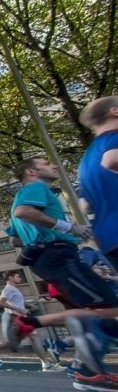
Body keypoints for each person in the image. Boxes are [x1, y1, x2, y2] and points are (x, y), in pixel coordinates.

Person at [5, 157, 118, 389]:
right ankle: (29, 323)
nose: (54, 165)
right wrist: (69, 228)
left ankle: (87, 369)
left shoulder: (24, 194)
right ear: (31, 171)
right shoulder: (36, 188)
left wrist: (38, 235)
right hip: (58, 255)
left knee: (92, 312)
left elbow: (13, 238)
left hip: (47, 258)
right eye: (46, 163)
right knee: (107, 308)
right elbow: (23, 212)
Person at [0, 270, 62, 371]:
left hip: (19, 317)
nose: (20, 278)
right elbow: (0, 302)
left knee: (15, 340)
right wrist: (19, 309)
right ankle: (46, 364)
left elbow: (16, 302)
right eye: (18, 276)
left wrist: (29, 306)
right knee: (33, 337)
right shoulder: (8, 289)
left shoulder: (13, 289)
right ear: (10, 277)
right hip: (15, 317)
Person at [78, 96, 118, 266]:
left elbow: (84, 206)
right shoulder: (114, 137)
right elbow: (111, 160)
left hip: (107, 239)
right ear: (115, 111)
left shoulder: (86, 160)